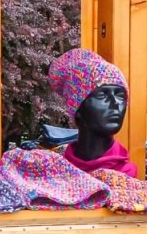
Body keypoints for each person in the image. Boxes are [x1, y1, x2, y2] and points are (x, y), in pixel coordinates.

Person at [49, 47, 138, 178]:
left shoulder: (126, 174)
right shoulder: (56, 171)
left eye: (120, 96)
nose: (115, 104)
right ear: (77, 108)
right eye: (102, 95)